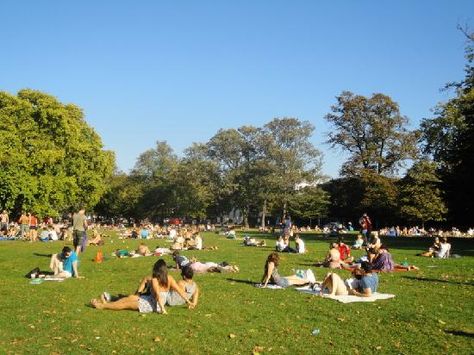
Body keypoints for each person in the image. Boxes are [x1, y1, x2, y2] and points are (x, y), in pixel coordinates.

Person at [90, 259, 193, 314]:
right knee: (129, 298)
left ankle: (102, 306)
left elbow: (158, 294)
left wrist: (162, 309)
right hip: (149, 299)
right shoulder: (167, 278)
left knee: (125, 304)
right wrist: (189, 301)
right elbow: (179, 291)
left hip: (153, 305)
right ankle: (108, 303)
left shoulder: (157, 279)